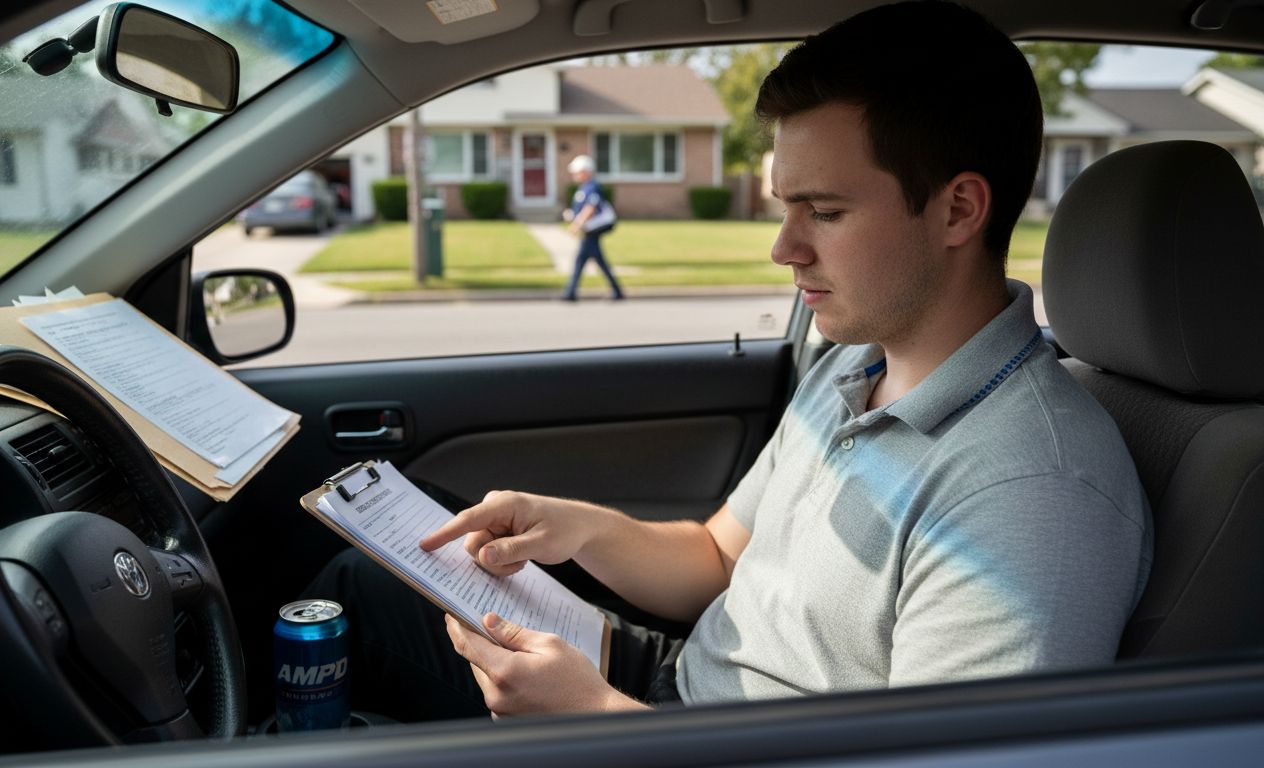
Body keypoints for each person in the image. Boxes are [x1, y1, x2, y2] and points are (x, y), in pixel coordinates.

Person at [305, 0, 1151, 719]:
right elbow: (718, 559)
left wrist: (596, 722)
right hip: (682, 690)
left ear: (958, 209)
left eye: (823, 212)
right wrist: (578, 529)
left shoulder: (1034, 493)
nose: (785, 249)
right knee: (362, 579)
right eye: (787, 207)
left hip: (693, 735)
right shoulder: (850, 370)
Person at [560, 154, 625, 301]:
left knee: (582, 259)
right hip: (589, 230)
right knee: (593, 260)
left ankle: (570, 293)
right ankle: (616, 291)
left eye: (577, 172)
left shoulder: (592, 186)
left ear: (585, 171)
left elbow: (591, 208)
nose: (574, 175)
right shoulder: (583, 188)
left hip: (594, 228)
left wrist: (576, 225)